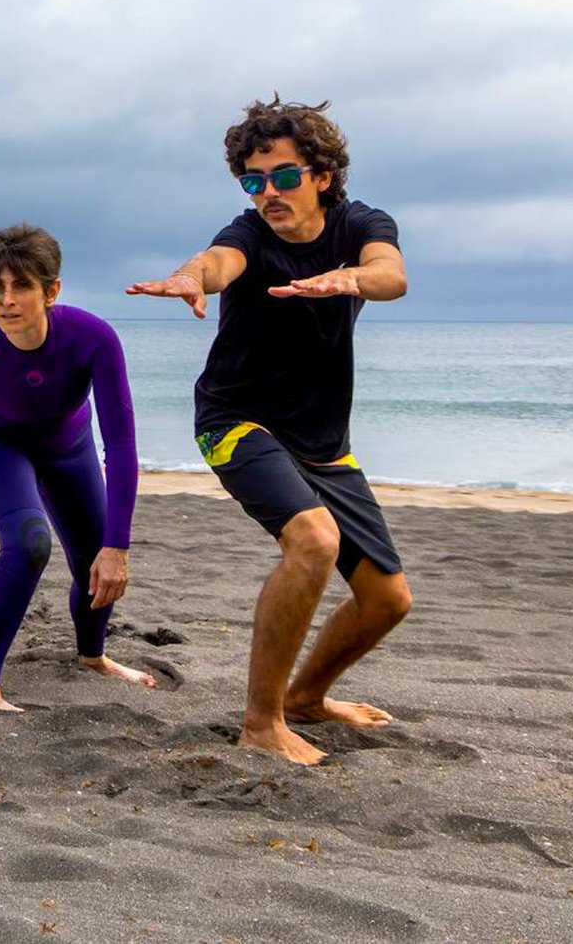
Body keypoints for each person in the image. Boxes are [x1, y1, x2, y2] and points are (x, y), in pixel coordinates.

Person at [127, 97, 412, 765]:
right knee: (313, 540)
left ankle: (308, 698)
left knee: (385, 599)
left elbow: (391, 274)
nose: (268, 193)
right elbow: (217, 261)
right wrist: (190, 277)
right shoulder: (248, 235)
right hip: (236, 420)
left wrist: (349, 278)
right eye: (253, 181)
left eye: (283, 177)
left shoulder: (359, 223)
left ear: (320, 175)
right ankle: (261, 723)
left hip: (323, 441)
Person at [0, 224, 152, 712]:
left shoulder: (93, 339)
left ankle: (93, 656)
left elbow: (122, 443)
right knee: (30, 544)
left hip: (68, 446)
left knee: (95, 557)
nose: (7, 301)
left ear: (52, 291)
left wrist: (119, 545)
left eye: (22, 286)